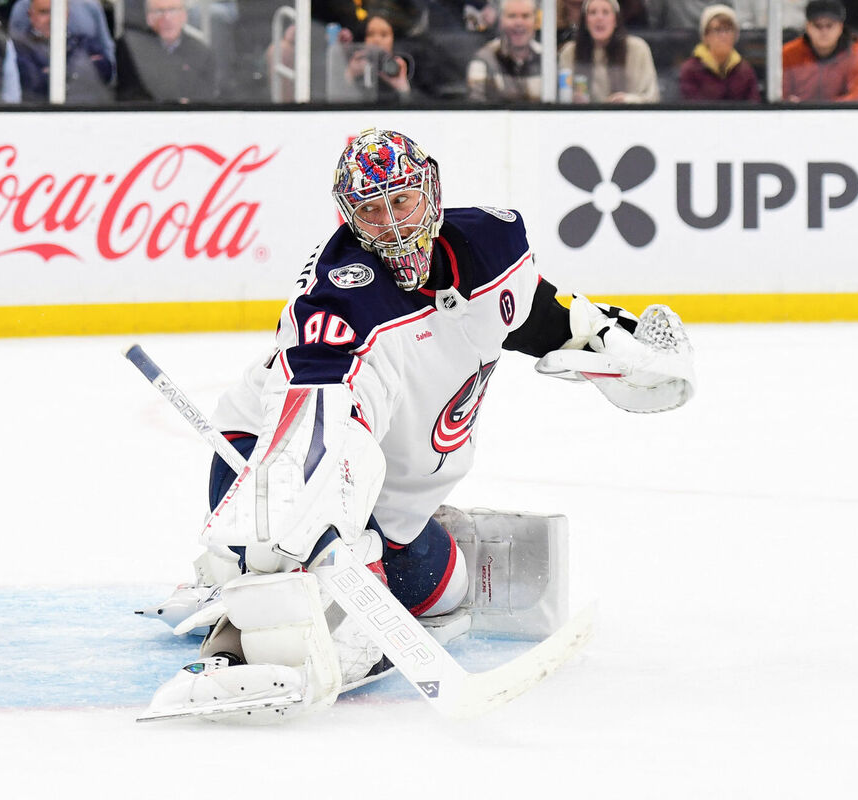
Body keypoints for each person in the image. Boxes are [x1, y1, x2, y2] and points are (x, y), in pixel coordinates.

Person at [139, 128, 695, 721]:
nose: (395, 225)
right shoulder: (340, 302)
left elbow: (532, 313)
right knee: (300, 616)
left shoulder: (490, 243)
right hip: (272, 465)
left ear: (430, 191)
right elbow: (316, 430)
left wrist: (609, 338)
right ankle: (242, 607)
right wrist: (303, 529)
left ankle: (301, 576)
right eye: (373, 213)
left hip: (387, 499)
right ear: (350, 219)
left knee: (444, 589)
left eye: (402, 201)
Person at [115, 0, 219, 102]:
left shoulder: (201, 53)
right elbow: (125, 94)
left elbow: (207, 96)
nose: (166, 18)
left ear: (184, 15)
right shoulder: (129, 49)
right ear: (148, 17)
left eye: (173, 10)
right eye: (159, 11)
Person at [559, 0, 660, 103]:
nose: (599, 18)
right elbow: (559, 95)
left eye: (606, 12)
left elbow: (652, 97)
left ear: (616, 20)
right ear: (585, 21)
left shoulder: (638, 49)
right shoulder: (570, 52)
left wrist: (627, 100)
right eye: (593, 12)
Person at [11, 0, 113, 102]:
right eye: (44, 12)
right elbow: (33, 82)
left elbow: (106, 72)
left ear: (67, 14)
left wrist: (52, 72)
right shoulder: (20, 48)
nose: (51, 19)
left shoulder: (85, 42)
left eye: (57, 12)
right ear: (31, 15)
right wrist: (82, 67)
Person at [782, 0, 858, 101]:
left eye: (829, 25)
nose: (824, 32)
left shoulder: (854, 53)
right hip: (797, 114)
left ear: (840, 27)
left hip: (840, 114)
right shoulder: (789, 53)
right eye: (818, 25)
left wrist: (832, 107)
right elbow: (780, 92)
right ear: (808, 26)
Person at [679, 4, 762, 100]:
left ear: (736, 36)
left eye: (728, 30)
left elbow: (753, 105)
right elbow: (689, 109)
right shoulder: (690, 69)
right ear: (705, 36)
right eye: (718, 30)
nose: (723, 36)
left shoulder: (745, 70)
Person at [331, 11, 416, 103]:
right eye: (370, 34)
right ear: (364, 40)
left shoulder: (404, 68)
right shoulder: (355, 66)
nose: (376, 40)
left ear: (393, 40)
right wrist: (349, 76)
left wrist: (403, 89)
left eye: (384, 35)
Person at [466, 0, 543, 102]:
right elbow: (475, 112)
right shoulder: (483, 60)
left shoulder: (548, 59)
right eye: (512, 16)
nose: (519, 23)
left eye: (525, 16)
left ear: (535, 21)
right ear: (501, 21)